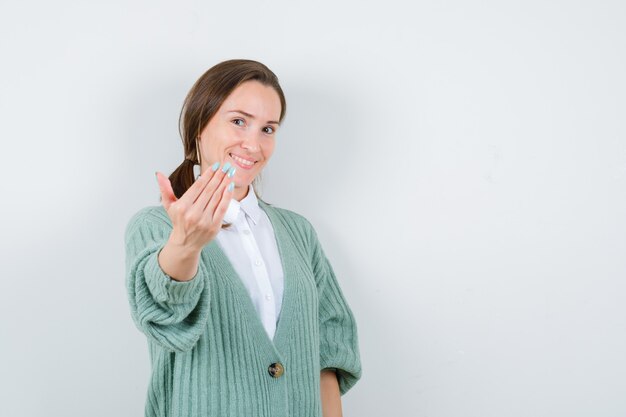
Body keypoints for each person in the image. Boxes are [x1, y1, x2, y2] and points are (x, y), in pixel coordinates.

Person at [124, 59, 362, 417]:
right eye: (239, 121)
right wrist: (186, 244)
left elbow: (329, 342)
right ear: (199, 126)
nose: (253, 144)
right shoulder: (156, 226)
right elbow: (165, 319)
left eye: (268, 129)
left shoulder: (297, 231)